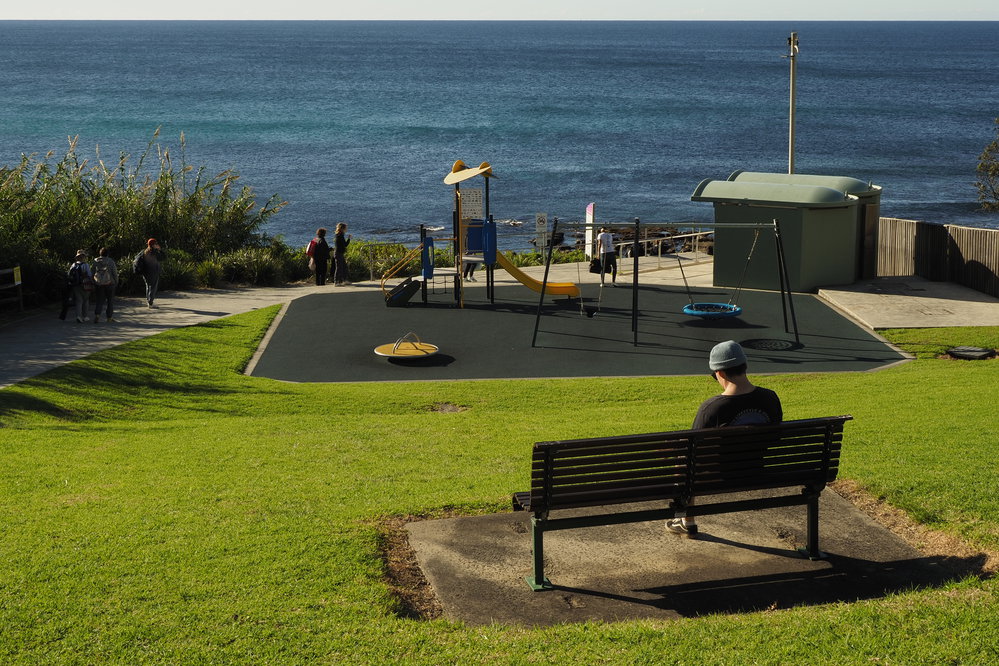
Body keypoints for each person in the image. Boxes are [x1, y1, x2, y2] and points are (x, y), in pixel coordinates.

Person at [666, 340, 783, 536]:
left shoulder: (712, 408)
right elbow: (775, 438)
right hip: (758, 470)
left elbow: (693, 450)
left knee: (684, 461)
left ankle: (687, 520)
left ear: (720, 373)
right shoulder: (770, 398)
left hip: (719, 477)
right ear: (745, 366)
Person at [133, 238, 165, 308]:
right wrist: (160, 250)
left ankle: (149, 301)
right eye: (156, 244)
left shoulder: (143, 251)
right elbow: (163, 257)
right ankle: (150, 303)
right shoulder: (154, 252)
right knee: (153, 287)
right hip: (153, 272)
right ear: (153, 245)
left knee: (148, 286)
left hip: (145, 272)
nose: (157, 245)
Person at [91, 247, 119, 323]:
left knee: (99, 300)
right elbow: (114, 272)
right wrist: (116, 281)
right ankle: (109, 317)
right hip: (110, 283)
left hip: (99, 284)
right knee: (110, 301)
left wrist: (93, 282)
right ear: (108, 254)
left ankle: (97, 315)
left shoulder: (95, 261)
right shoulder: (110, 261)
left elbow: (92, 272)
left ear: (100, 253)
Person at [67, 249, 93, 323]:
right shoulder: (86, 265)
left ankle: (78, 316)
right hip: (85, 284)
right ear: (83, 257)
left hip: (75, 285)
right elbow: (89, 275)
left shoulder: (73, 265)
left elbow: (69, 274)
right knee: (86, 300)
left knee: (79, 301)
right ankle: (85, 316)